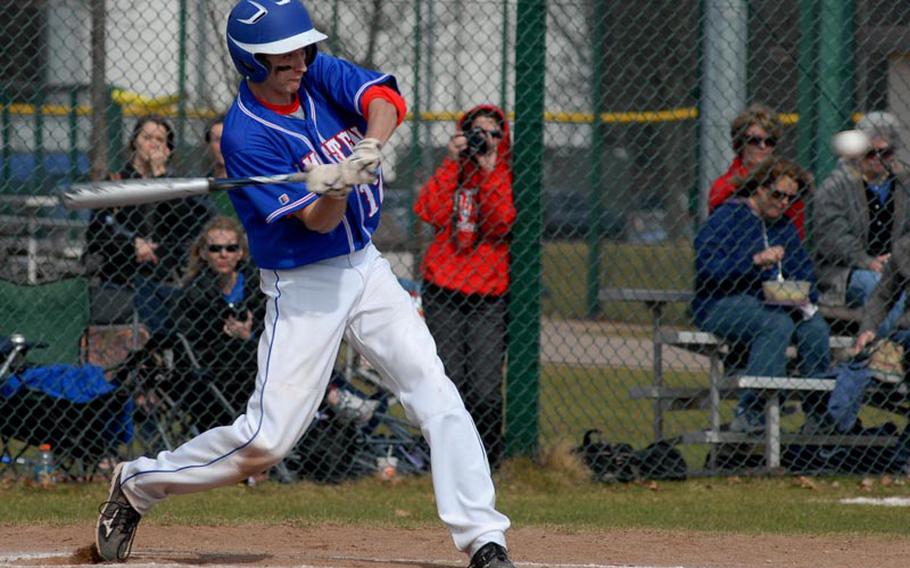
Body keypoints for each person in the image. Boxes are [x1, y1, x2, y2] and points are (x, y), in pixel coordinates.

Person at [95, 3, 514, 568]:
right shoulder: (246, 136)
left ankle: (485, 538)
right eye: (282, 52)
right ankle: (138, 483)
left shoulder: (317, 72)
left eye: (301, 46)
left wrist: (367, 149)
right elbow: (316, 223)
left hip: (366, 269)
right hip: (304, 285)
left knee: (434, 392)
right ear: (251, 60)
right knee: (266, 442)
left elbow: (385, 101)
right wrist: (335, 189)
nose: (297, 59)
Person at [693, 156, 830, 433]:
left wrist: (798, 294)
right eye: (777, 194)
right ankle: (751, 413)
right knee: (774, 324)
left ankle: (817, 418)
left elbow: (806, 276)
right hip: (721, 303)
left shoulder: (785, 228)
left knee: (815, 328)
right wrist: (753, 263)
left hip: (776, 303)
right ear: (758, 188)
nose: (783, 203)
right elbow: (708, 271)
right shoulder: (727, 216)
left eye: (790, 198)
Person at [414, 104, 515, 468]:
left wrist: (489, 171)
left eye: (492, 133)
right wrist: (452, 162)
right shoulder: (454, 169)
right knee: (448, 380)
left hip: (489, 291)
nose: (483, 139)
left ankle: (487, 458)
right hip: (444, 285)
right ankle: (443, 456)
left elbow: (501, 224)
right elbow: (429, 212)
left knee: (485, 388)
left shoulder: (505, 173)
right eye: (476, 132)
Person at [84, 115, 215, 335]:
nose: (153, 144)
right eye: (147, 137)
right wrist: (131, 245)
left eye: (160, 140)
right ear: (135, 141)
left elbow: (184, 225)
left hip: (163, 283)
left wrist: (161, 177)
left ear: (169, 149)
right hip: (120, 283)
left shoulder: (177, 187)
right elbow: (96, 232)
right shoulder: (116, 182)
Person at [812, 111, 910, 331]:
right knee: (877, 285)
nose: (878, 160)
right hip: (846, 272)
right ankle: (884, 353)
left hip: (897, 265)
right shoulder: (836, 186)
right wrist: (868, 262)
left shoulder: (904, 183)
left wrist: (897, 261)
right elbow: (833, 238)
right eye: (870, 153)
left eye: (885, 153)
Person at [171, 215, 263, 431]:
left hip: (259, 357)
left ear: (240, 253)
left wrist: (247, 336)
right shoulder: (193, 294)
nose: (224, 254)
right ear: (204, 253)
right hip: (217, 371)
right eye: (215, 249)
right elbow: (191, 345)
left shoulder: (257, 287)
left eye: (231, 248)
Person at [707, 103, 808, 238]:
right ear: (740, 142)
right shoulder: (724, 186)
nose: (762, 146)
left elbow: (797, 233)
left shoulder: (787, 185)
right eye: (754, 140)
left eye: (769, 141)